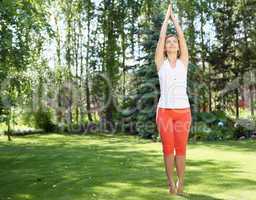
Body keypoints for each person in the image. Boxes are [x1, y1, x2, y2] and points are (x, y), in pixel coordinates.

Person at [154, 0, 192, 195]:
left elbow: (183, 38)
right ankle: (170, 182)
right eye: (169, 42)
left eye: (173, 41)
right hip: (165, 112)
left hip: (183, 112)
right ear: (165, 47)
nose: (171, 43)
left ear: (177, 47)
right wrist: (165, 19)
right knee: (168, 149)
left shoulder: (183, 62)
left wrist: (175, 20)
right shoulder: (161, 63)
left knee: (181, 149)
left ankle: (181, 183)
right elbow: (160, 39)